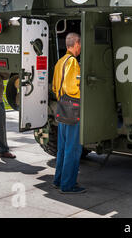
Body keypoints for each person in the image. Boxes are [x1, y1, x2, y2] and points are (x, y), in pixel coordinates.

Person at [52, 33, 86, 194]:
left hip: (61, 106)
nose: (80, 48)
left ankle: (58, 180)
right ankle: (68, 185)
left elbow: (54, 86)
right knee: (73, 149)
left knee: (63, 147)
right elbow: (72, 87)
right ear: (76, 44)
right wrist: (83, 93)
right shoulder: (73, 62)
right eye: (80, 45)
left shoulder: (60, 61)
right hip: (72, 107)